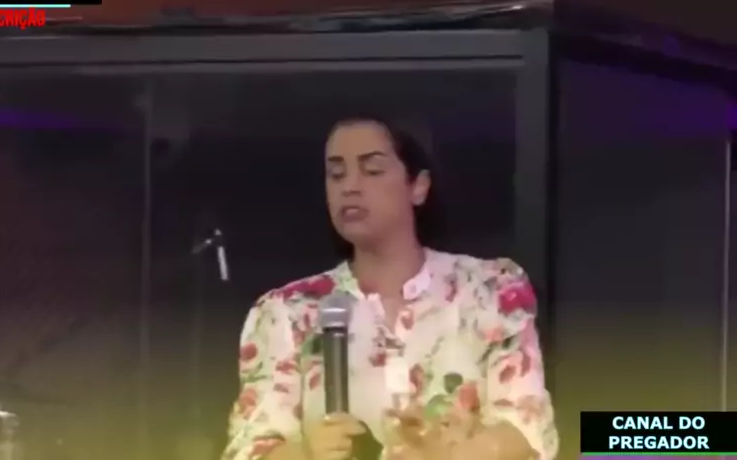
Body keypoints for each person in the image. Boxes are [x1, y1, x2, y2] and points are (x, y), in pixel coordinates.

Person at [222, 117, 558, 460]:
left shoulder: (490, 290)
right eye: (336, 174)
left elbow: (525, 429)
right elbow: (249, 450)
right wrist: (307, 453)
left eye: (372, 170)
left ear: (418, 187)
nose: (350, 186)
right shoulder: (287, 312)